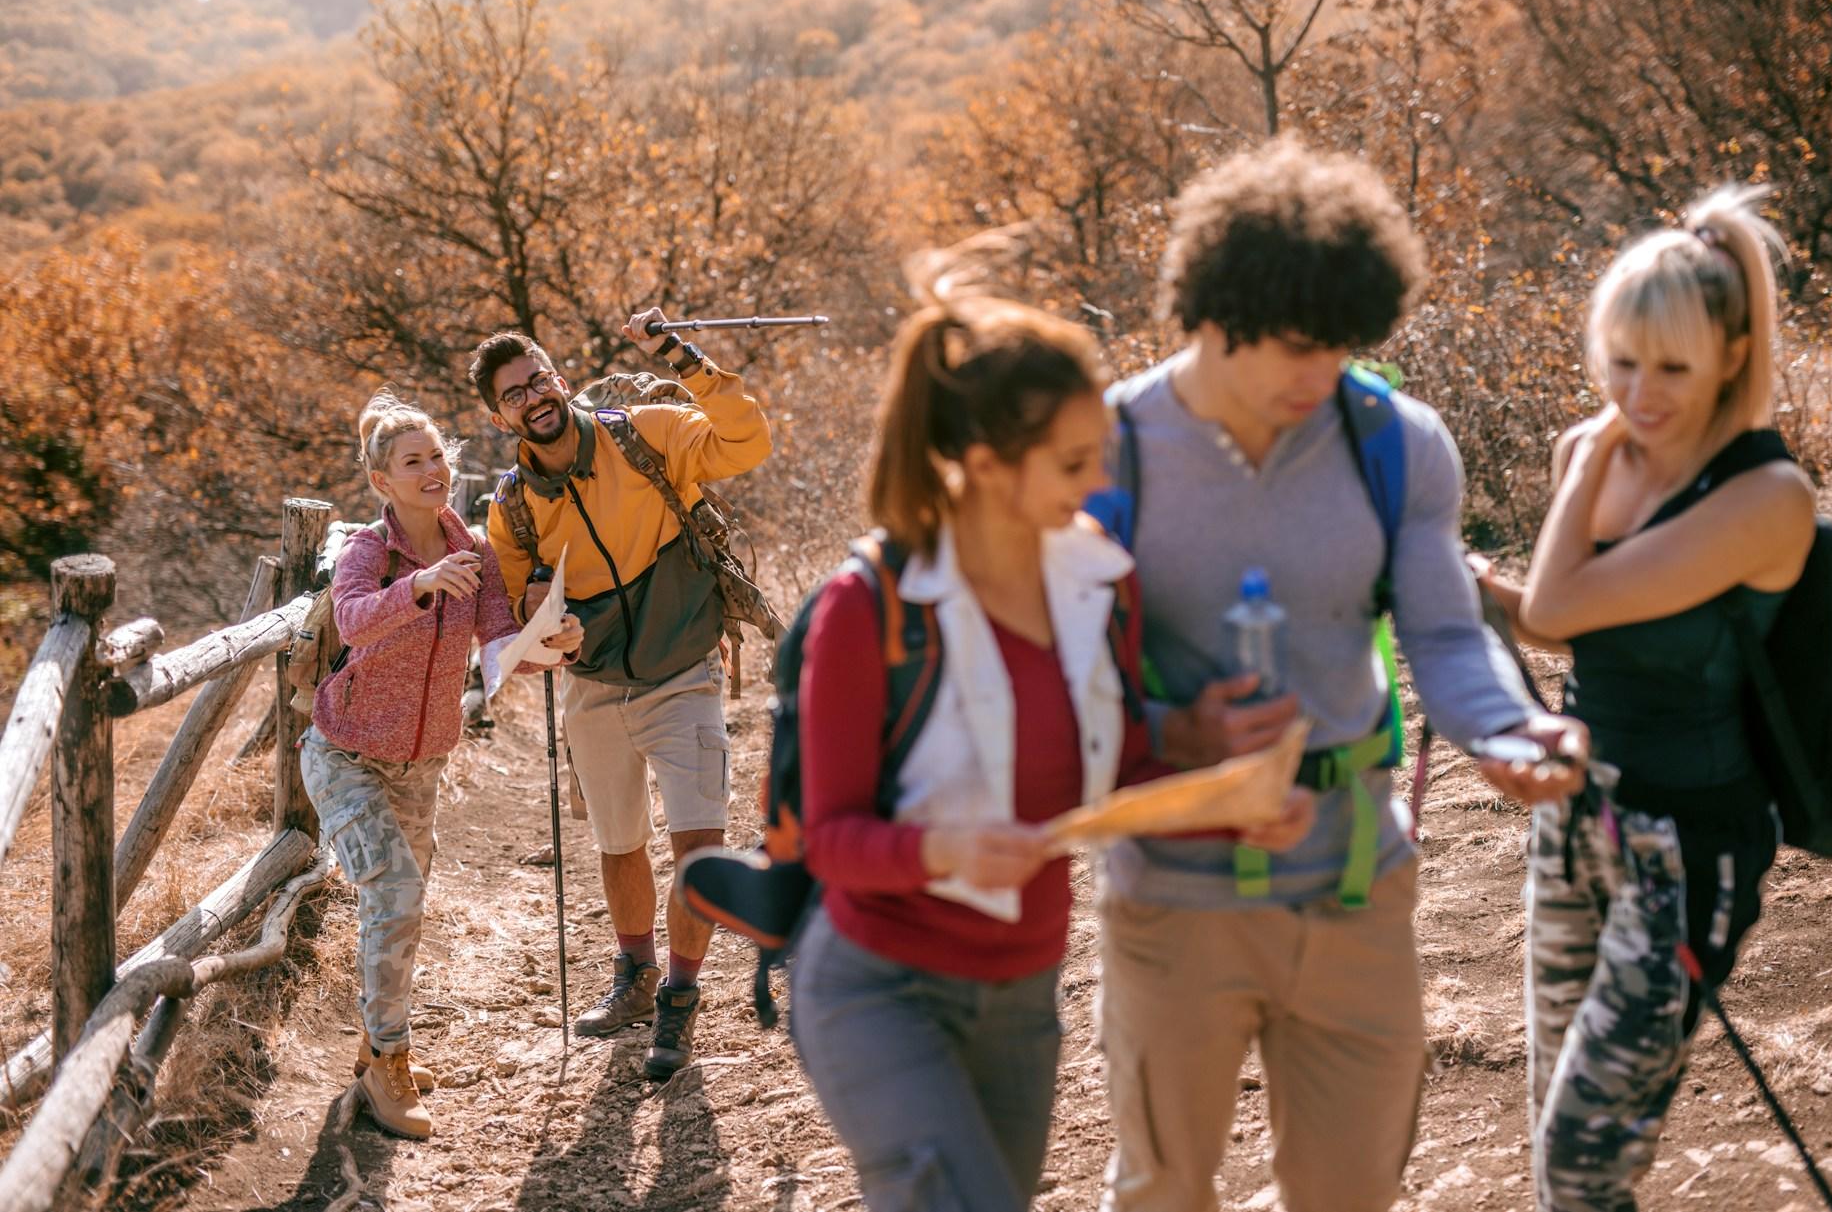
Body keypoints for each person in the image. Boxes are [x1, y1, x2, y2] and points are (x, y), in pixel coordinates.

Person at [1093, 138, 1588, 1212]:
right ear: (1214, 311)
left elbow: (1448, 638)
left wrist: (1507, 731)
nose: (1324, 378)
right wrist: (1178, 736)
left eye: (1345, 348)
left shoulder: (1397, 442)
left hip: (1354, 882)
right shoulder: (1106, 448)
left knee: (1353, 1192)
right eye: (1299, 347)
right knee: (1161, 1192)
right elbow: (1059, 680)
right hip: (1173, 899)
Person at [789, 268, 1318, 1212]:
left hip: (1023, 998)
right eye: (1075, 463)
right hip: (879, 992)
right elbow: (829, 837)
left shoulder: (1100, 582)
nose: (1102, 483)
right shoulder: (867, 608)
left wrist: (1236, 809)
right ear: (986, 461)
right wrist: (942, 850)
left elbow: (1114, 775)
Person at [1477, 189, 1814, 1211]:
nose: (1640, 392)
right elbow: (1567, 624)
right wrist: (1463, 583)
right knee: (1555, 1138)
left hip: (1687, 850)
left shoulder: (1766, 498)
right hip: (1578, 821)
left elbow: (1564, 596)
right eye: (1621, 361)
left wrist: (1584, 461)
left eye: (1671, 366)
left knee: (1583, 1162)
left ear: (1734, 352)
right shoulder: (1604, 453)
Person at [472, 310, 771, 1080]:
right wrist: (545, 640)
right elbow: (506, 631)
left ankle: (679, 994)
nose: (532, 396)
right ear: (497, 415)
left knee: (700, 845)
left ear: (558, 377)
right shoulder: (510, 510)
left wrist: (683, 358)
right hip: (596, 685)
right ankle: (634, 975)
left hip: (684, 666)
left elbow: (747, 440)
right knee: (619, 843)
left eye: (538, 378)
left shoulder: (646, 433)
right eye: (513, 394)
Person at [303, 391, 582, 1140]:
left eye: (437, 457)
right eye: (412, 462)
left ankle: (376, 1042)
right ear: (382, 481)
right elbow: (354, 617)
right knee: (392, 891)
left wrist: (545, 646)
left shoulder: (478, 552)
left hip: (421, 762)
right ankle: (386, 1067)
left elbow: (495, 642)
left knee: (404, 904)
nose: (432, 471)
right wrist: (420, 586)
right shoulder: (372, 549)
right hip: (345, 754)